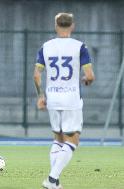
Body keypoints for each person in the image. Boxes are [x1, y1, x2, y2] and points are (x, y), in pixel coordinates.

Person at [33, 13, 95, 189]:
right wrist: (86, 80)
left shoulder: (46, 47)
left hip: (52, 97)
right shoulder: (79, 47)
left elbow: (37, 75)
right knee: (73, 140)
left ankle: (55, 182)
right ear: (72, 26)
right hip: (71, 98)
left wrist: (40, 96)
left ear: (55, 26)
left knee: (58, 139)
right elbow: (90, 75)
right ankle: (52, 179)